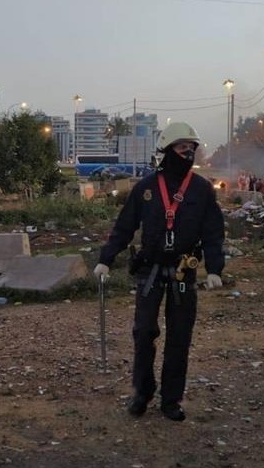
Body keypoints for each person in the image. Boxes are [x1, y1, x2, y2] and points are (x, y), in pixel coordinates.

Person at [94, 122, 225, 422]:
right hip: (150, 270)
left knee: (179, 337)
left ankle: (171, 400)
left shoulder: (202, 189)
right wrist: (106, 259)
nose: (188, 153)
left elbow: (213, 233)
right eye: (182, 148)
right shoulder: (147, 188)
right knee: (143, 333)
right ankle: (142, 393)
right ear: (167, 151)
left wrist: (215, 269)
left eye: (191, 148)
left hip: (183, 272)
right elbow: (124, 226)